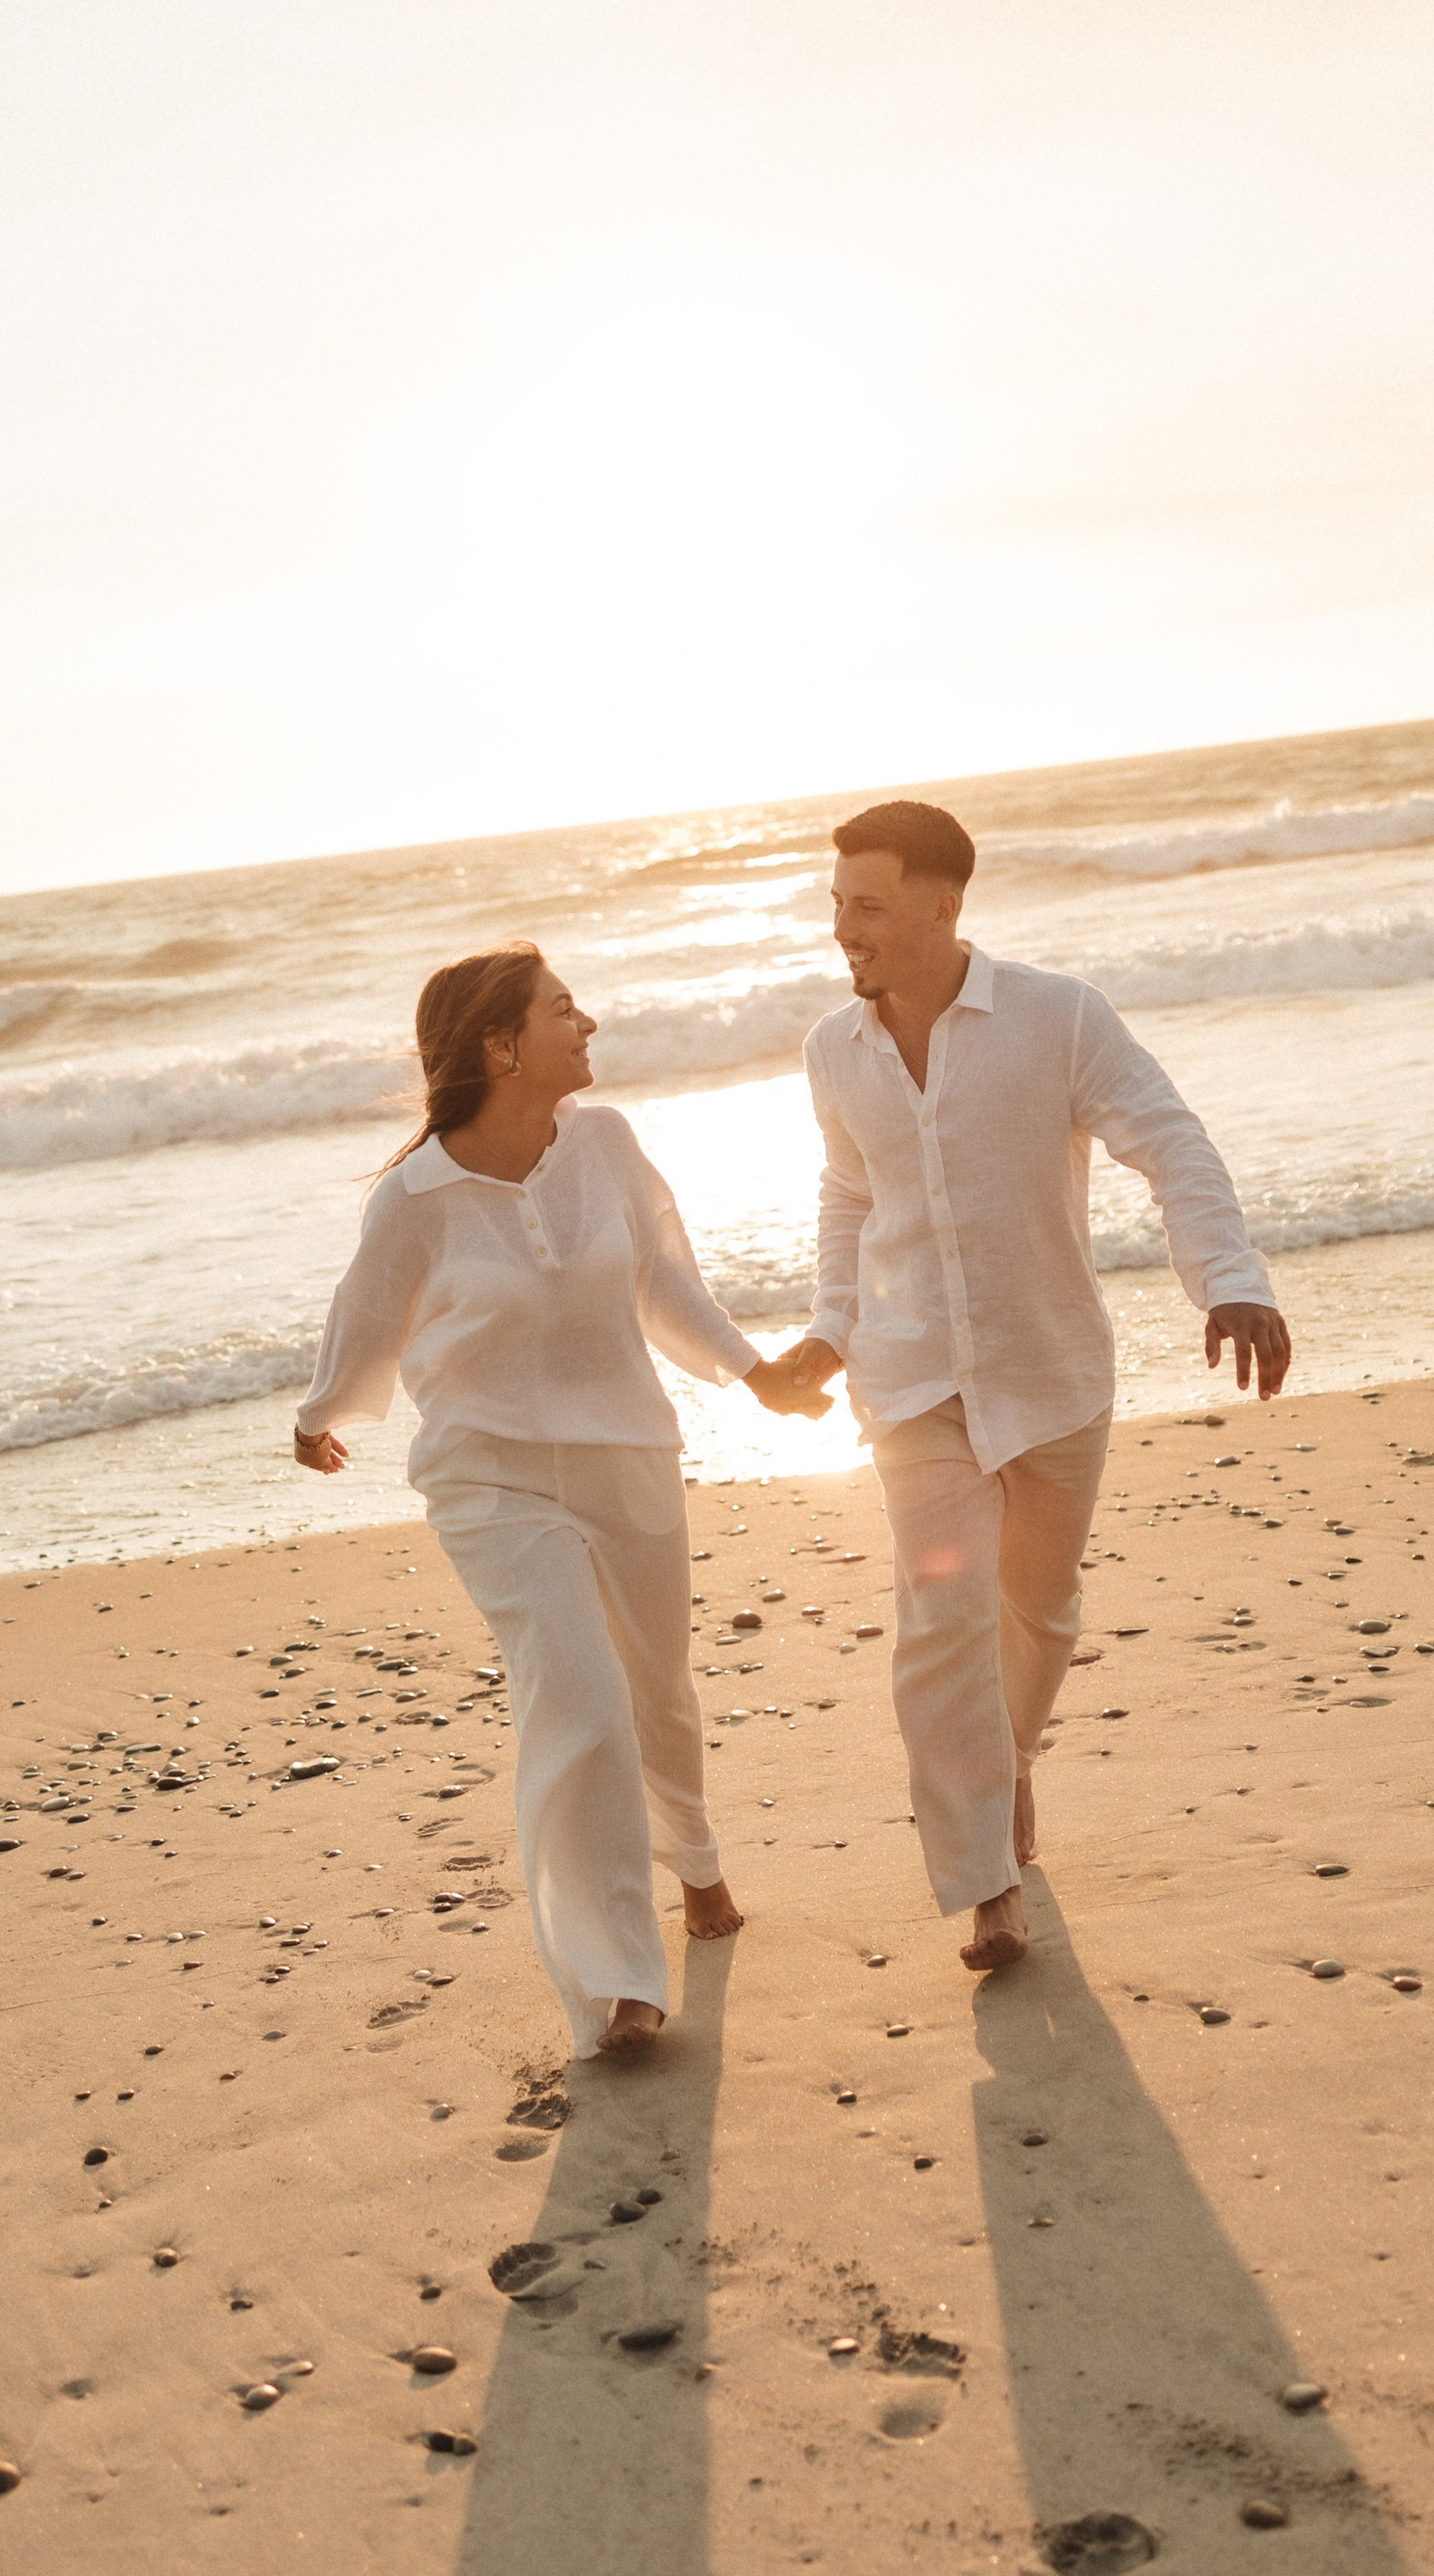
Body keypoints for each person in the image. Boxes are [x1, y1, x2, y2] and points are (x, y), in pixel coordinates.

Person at [772, 801, 1288, 1976]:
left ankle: (1011, 1761)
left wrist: (1228, 1280)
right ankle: (987, 1881)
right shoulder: (830, 1051)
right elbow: (850, 1196)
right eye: (837, 903)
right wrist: (830, 1329)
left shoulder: (1057, 1019)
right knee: (941, 1624)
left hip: (1048, 1369)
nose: (842, 928)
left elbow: (1170, 1139)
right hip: (911, 1387)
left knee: (1040, 1615)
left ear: (942, 908)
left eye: (868, 906)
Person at [292, 942, 826, 2059]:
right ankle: (620, 1977)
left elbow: (664, 1278)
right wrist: (321, 1412)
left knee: (659, 1694)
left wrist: (755, 1374)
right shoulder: (417, 1197)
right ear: (500, 1045)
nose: (588, 1027)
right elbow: (364, 1318)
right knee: (580, 1703)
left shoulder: (606, 1143)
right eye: (564, 1011)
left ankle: (698, 1858)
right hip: (491, 1478)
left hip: (626, 1453)